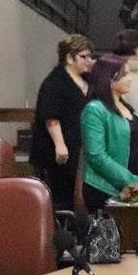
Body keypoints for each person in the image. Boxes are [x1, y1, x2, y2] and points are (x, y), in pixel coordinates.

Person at [79, 53, 138, 213]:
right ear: (110, 79)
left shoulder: (127, 107)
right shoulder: (95, 110)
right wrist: (130, 180)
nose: (130, 79)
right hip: (105, 189)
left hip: (134, 188)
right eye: (124, 74)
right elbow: (96, 155)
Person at [32, 35, 95, 210]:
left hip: (80, 146)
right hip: (60, 149)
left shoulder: (87, 81)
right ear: (69, 58)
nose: (89, 61)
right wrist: (60, 144)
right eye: (84, 57)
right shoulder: (55, 81)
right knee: (62, 194)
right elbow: (51, 116)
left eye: (90, 56)